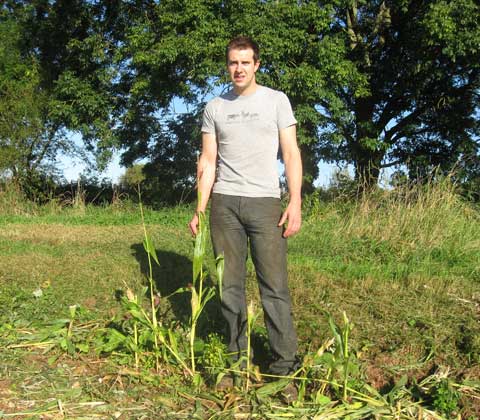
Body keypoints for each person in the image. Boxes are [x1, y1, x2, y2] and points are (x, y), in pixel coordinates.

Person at [188, 36, 302, 395]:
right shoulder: (215, 107)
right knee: (229, 288)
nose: (238, 69)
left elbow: (291, 152)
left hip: (265, 203)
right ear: (228, 66)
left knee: (275, 289)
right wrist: (200, 208)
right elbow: (208, 160)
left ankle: (284, 370)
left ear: (256, 65)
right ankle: (235, 363)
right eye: (233, 63)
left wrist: (295, 200)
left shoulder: (276, 101)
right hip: (224, 205)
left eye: (245, 62)